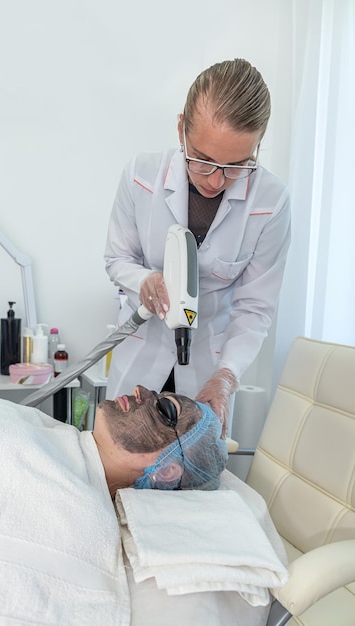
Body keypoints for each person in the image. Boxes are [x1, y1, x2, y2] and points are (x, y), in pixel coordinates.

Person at [104, 58, 291, 436]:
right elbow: (117, 259)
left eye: (238, 164)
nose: (217, 181)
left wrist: (226, 377)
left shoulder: (272, 202)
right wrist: (144, 281)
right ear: (181, 130)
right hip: (140, 358)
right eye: (203, 160)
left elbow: (254, 309)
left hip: (209, 369)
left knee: (195, 478)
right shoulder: (141, 176)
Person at [0, 388, 227, 626]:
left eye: (164, 409)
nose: (140, 391)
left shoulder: (77, 516)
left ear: (166, 472)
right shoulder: (54, 434)